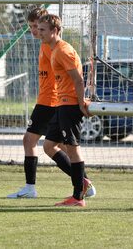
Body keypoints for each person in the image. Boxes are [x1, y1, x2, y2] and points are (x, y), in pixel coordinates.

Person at [7, 8, 96, 199]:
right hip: (51, 100)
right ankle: (84, 183)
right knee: (56, 146)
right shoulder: (46, 45)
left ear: (49, 28)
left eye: (37, 27)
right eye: (31, 27)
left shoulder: (54, 47)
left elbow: (70, 76)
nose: (34, 30)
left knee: (35, 141)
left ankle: (32, 187)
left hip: (51, 100)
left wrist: (71, 100)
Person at [38, 14, 91, 207]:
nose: (39, 33)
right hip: (61, 105)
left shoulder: (63, 50)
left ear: (55, 31)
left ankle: (78, 197)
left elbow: (78, 79)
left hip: (69, 105)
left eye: (43, 29)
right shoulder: (54, 50)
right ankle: (82, 181)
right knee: (49, 146)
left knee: (73, 149)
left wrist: (80, 103)